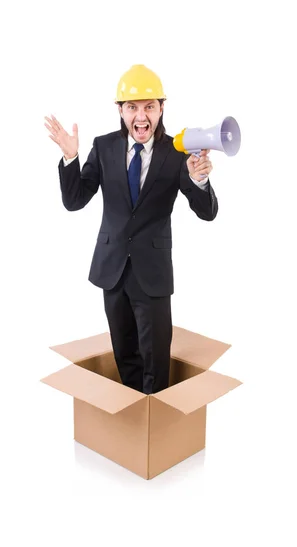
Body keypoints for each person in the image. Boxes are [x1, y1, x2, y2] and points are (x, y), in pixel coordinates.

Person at [45, 64, 218, 394]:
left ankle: (155, 423)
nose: (141, 116)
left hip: (152, 274)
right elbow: (75, 200)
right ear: (121, 111)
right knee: (125, 353)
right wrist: (71, 158)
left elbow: (207, 212)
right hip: (112, 268)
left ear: (161, 108)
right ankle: (133, 416)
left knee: (155, 359)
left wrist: (200, 179)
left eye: (149, 106)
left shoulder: (177, 152)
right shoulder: (104, 147)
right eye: (132, 107)